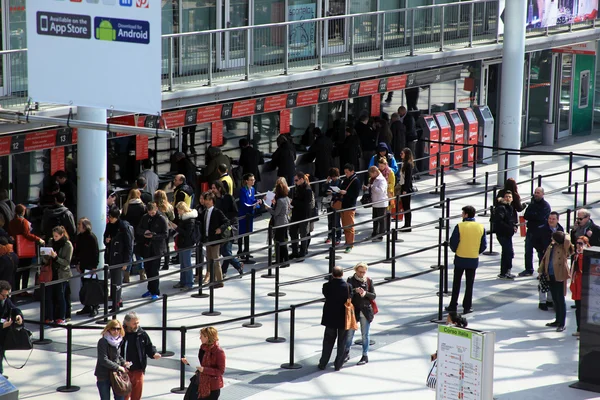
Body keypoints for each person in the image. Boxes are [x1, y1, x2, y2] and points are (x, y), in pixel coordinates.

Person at [446, 206, 487, 314]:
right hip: (473, 259)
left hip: (460, 257)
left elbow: (453, 242)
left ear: (466, 215)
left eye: (462, 213)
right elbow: (484, 245)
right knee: (470, 284)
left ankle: (453, 305)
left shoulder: (460, 226)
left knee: (456, 283)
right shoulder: (480, 227)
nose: (461, 215)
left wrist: (456, 250)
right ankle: (467, 306)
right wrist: (475, 252)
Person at [120, 312, 161, 400]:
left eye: (138, 323)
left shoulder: (141, 334)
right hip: (124, 370)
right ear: (127, 323)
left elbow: (149, 346)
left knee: (137, 395)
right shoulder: (120, 334)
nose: (137, 325)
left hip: (138, 369)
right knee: (124, 395)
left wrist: (154, 353)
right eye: (134, 323)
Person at [538, 231, 574, 332]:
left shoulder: (563, 247)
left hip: (559, 275)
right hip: (550, 274)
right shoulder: (551, 245)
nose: (551, 239)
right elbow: (545, 258)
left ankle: (562, 323)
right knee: (555, 298)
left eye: (553, 237)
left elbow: (567, 240)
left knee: (560, 299)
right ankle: (557, 320)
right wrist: (541, 270)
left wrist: (564, 235)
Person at [318, 266, 350, 371]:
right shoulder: (348, 286)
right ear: (342, 274)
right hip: (343, 318)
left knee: (327, 341)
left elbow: (326, 295)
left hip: (330, 318)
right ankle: (338, 364)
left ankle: (323, 363)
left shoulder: (326, 286)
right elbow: (351, 298)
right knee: (342, 342)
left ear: (332, 274)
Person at [344, 262, 376, 366]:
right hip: (354, 310)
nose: (362, 274)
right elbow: (347, 292)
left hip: (365, 310)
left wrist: (365, 293)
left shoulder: (369, 280)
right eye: (360, 272)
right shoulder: (350, 279)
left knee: (365, 334)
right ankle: (346, 352)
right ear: (356, 270)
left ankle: (365, 355)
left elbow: (374, 295)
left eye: (364, 272)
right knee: (349, 334)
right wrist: (355, 290)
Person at [181, 327, 226, 400]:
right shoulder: (203, 347)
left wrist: (204, 370)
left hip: (211, 386)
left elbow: (220, 371)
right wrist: (189, 362)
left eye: (201, 336)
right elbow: (200, 363)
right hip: (199, 380)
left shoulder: (218, 351)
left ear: (207, 337)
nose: (200, 338)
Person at [8, 204, 44, 293]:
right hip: (24, 249)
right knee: (25, 271)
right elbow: (27, 235)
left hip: (15, 247)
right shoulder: (23, 222)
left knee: (17, 271)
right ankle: (24, 291)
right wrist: (38, 239)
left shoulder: (12, 222)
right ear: (23, 212)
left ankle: (16, 290)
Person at [42, 226, 73, 325]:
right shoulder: (51, 242)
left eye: (56, 236)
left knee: (61, 295)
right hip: (51, 272)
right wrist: (46, 255)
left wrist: (56, 257)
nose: (54, 238)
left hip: (62, 273)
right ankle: (50, 317)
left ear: (62, 235)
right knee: (49, 296)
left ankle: (62, 317)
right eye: (53, 236)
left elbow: (66, 262)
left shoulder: (68, 245)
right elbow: (45, 258)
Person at [136, 202, 168, 300]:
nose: (151, 215)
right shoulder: (145, 217)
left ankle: (155, 291)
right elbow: (138, 229)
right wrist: (144, 232)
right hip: (146, 247)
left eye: (153, 213)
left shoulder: (162, 219)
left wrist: (154, 236)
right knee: (148, 269)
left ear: (156, 209)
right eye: (149, 213)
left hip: (157, 248)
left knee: (154, 270)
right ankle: (150, 289)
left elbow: (165, 234)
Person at [211, 181, 243, 277]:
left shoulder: (228, 197)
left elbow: (234, 212)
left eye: (214, 188)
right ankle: (224, 271)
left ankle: (237, 265)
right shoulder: (215, 200)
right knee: (225, 250)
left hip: (230, 226)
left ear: (219, 188)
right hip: (221, 227)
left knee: (226, 250)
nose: (212, 190)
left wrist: (224, 219)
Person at [105, 207, 134, 308]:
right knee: (113, 279)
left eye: (112, 217)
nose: (110, 219)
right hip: (111, 256)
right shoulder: (109, 225)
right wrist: (107, 240)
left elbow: (129, 245)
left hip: (120, 257)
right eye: (109, 217)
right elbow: (105, 236)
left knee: (117, 280)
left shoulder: (123, 227)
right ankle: (116, 300)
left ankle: (116, 302)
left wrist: (126, 261)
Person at [95, 320, 130, 400]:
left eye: (118, 329)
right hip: (104, 375)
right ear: (108, 329)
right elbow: (103, 360)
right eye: (113, 329)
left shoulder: (119, 341)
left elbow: (118, 355)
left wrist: (124, 362)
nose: (116, 331)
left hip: (116, 375)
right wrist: (118, 367)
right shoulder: (103, 341)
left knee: (120, 397)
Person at [520, 187, 551, 277]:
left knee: (541, 253)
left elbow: (540, 217)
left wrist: (532, 215)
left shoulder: (545, 205)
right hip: (530, 231)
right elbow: (526, 215)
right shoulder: (532, 203)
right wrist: (534, 215)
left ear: (542, 194)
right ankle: (528, 269)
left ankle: (542, 272)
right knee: (528, 251)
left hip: (540, 233)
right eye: (535, 192)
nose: (536, 194)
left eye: (538, 193)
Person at [535, 212, 563, 310]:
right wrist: (541, 250)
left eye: (553, 219)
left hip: (555, 259)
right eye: (549, 218)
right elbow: (535, 241)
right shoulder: (542, 229)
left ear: (557, 220)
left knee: (552, 279)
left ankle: (550, 300)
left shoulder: (560, 229)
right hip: (544, 257)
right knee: (543, 279)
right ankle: (542, 301)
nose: (551, 220)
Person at [201, 192, 230, 287]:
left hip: (215, 240)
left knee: (216, 260)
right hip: (208, 239)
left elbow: (227, 222)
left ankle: (219, 281)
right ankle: (212, 279)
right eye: (206, 199)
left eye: (209, 200)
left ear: (213, 201)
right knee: (209, 259)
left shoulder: (217, 212)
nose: (207, 202)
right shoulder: (204, 212)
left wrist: (220, 229)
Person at [74, 218, 101, 317]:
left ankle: (94, 306)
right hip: (83, 264)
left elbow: (95, 253)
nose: (78, 226)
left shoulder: (91, 237)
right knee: (85, 285)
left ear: (85, 226)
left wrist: (94, 266)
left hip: (90, 265)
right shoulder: (79, 237)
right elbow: (77, 251)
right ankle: (87, 305)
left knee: (92, 286)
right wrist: (77, 263)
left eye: (80, 225)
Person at [171, 202, 198, 290]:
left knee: (187, 264)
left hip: (187, 243)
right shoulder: (183, 218)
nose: (178, 212)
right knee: (183, 263)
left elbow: (187, 233)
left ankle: (189, 283)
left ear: (183, 209)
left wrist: (176, 228)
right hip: (182, 243)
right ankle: (183, 281)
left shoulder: (190, 219)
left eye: (179, 210)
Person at [265, 178, 291, 266]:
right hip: (285, 221)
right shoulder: (286, 198)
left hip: (280, 223)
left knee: (280, 242)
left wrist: (268, 208)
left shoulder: (280, 200)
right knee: (281, 241)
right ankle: (280, 260)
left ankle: (285, 261)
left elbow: (276, 213)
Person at [0, 280, 24, 377]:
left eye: (7, 295)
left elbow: (13, 308)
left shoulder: (5, 300)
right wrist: (2, 326)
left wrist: (18, 315)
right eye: (3, 295)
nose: (5, 298)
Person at [494, 191, 518, 280]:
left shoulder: (509, 207)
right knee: (508, 252)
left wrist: (514, 226)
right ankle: (507, 271)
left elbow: (511, 220)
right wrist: (510, 228)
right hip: (503, 233)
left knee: (506, 252)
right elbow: (500, 221)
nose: (508, 198)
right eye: (506, 196)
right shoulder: (501, 208)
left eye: (510, 197)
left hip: (507, 233)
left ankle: (504, 272)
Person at [237, 173, 261, 261]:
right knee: (242, 232)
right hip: (243, 213)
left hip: (249, 213)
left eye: (253, 179)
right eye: (251, 180)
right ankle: (240, 250)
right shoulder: (243, 190)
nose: (253, 181)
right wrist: (252, 205)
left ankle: (246, 250)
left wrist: (257, 202)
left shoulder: (253, 189)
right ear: (246, 181)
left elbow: (252, 200)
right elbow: (243, 202)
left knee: (248, 231)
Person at [289, 172, 313, 259]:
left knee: (303, 234)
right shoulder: (297, 188)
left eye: (296, 180)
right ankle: (294, 251)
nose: (295, 182)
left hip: (303, 215)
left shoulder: (307, 190)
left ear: (302, 179)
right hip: (295, 214)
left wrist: (293, 202)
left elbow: (306, 204)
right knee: (293, 233)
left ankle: (303, 251)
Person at [339, 164, 361, 254]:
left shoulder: (355, 181)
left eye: (347, 172)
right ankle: (347, 241)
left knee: (349, 225)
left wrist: (346, 193)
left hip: (350, 205)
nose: (346, 174)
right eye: (345, 172)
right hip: (344, 205)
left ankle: (350, 244)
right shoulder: (347, 179)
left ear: (352, 171)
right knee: (344, 225)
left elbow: (355, 195)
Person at [571, 236, 590, 338]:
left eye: (581, 243)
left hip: (585, 285)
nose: (578, 245)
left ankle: (585, 331)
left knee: (584, 309)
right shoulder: (576, 255)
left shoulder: (586, 256)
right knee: (578, 308)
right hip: (577, 285)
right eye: (577, 243)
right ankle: (579, 329)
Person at [364, 166, 388, 242]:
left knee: (381, 220)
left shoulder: (381, 180)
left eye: (371, 174)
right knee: (375, 218)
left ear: (375, 172)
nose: (370, 176)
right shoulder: (374, 180)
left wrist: (372, 186)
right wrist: (367, 188)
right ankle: (374, 233)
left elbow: (381, 191)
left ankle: (380, 235)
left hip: (381, 202)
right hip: (375, 202)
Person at [154, 189, 175, 272]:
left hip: (157, 228)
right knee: (166, 245)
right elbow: (172, 217)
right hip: (167, 227)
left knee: (157, 246)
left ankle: (157, 264)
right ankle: (166, 263)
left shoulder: (154, 206)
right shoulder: (168, 206)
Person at [323, 168, 342, 245]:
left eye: (335, 176)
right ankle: (330, 236)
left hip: (336, 203)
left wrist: (333, 193)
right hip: (329, 203)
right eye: (332, 177)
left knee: (337, 221)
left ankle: (338, 237)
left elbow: (340, 193)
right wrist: (327, 182)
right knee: (330, 221)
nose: (333, 178)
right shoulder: (329, 183)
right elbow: (323, 191)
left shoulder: (340, 182)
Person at [399, 148, 415, 232]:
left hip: (406, 188)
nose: (401, 154)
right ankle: (406, 224)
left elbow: (408, 178)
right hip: (403, 186)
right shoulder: (404, 163)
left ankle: (408, 225)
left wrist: (405, 189)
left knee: (407, 207)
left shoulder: (408, 164)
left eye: (402, 153)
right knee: (405, 207)